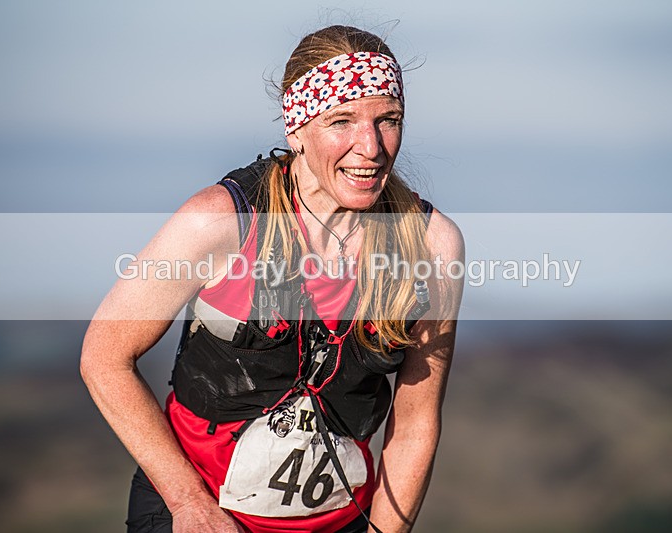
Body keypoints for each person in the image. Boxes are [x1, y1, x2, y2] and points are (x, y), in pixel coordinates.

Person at [81, 24, 464, 533]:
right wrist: (186, 504)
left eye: (387, 120)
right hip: (198, 513)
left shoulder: (431, 243)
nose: (369, 146)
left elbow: (415, 422)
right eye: (341, 120)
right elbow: (104, 357)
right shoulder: (220, 221)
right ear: (296, 128)